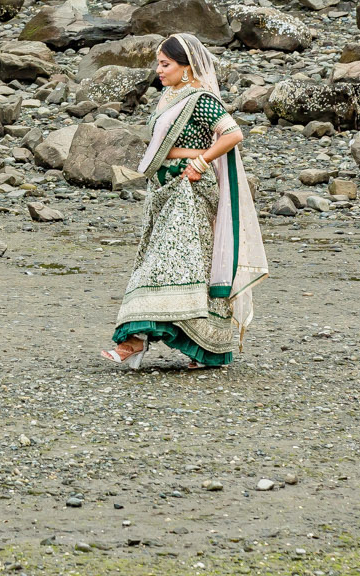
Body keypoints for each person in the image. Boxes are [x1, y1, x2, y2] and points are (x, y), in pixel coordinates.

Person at [100, 32, 269, 369]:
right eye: (158, 64)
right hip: (163, 188)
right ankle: (191, 347)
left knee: (170, 262)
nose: (159, 70)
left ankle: (137, 341)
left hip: (189, 188)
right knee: (175, 262)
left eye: (165, 64)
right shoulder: (167, 97)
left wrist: (202, 161)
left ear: (187, 67)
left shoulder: (201, 98)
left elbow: (233, 133)